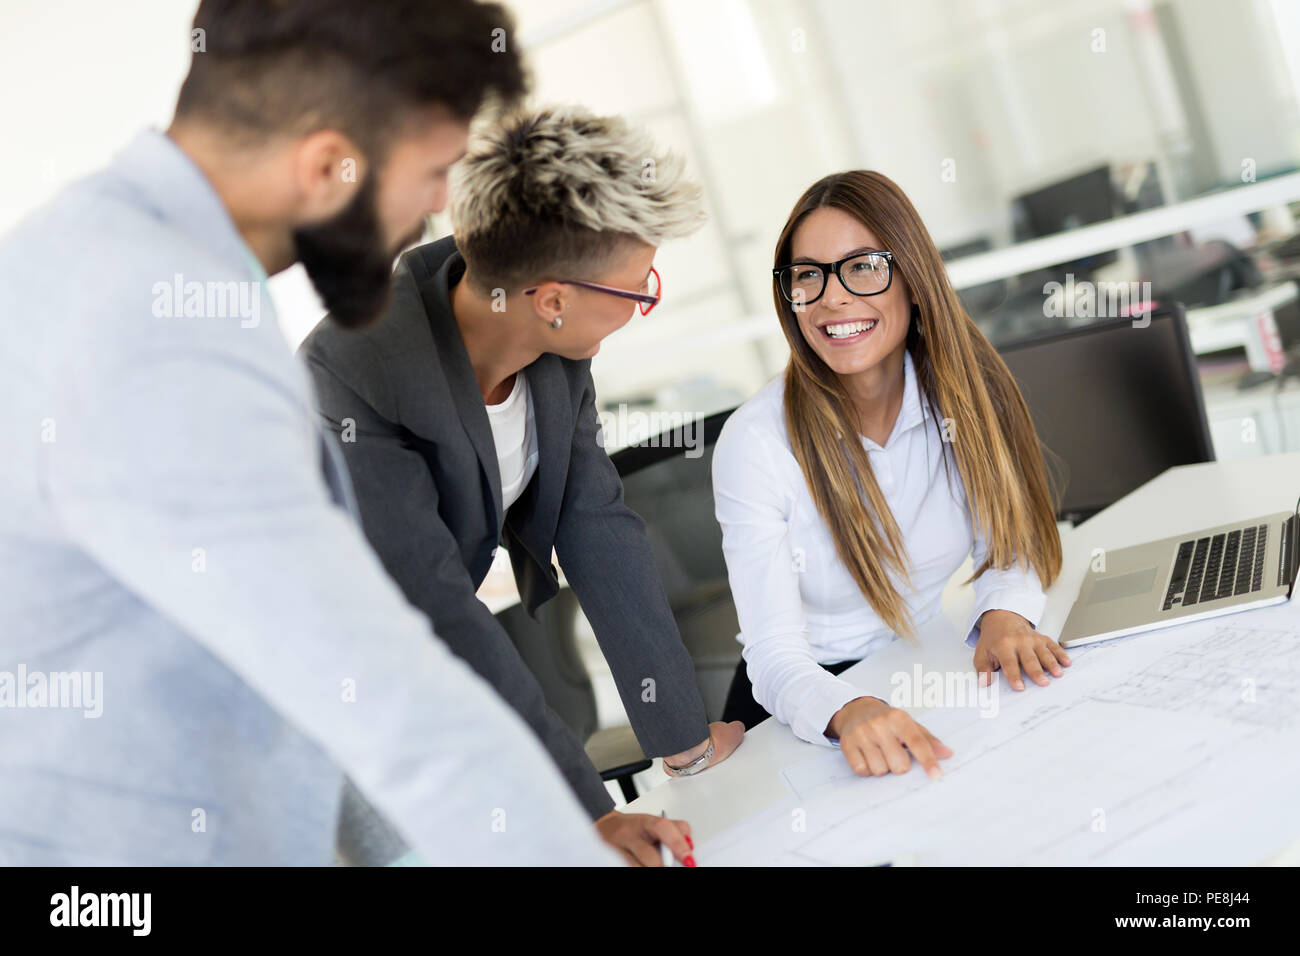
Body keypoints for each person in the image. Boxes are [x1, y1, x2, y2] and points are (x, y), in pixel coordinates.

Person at [0, 0, 621, 865]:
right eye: (431, 170)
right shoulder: (161, 327)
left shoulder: (98, 253)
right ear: (331, 163)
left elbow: (288, 672)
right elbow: (380, 687)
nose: (440, 204)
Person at [301, 106, 744, 866]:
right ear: (551, 299)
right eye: (639, 291)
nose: (643, 306)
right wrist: (589, 811)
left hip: (429, 652)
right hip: (327, 696)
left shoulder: (554, 340)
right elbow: (432, 601)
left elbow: (593, 520)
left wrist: (682, 740)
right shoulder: (356, 367)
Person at [712, 170, 1070, 780]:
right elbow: (773, 655)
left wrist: (1005, 614)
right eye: (808, 275)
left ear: (912, 277)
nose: (833, 298)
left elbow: (1011, 541)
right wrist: (849, 709)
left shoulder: (964, 392)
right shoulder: (757, 442)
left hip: (925, 663)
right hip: (811, 705)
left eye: (863, 266)